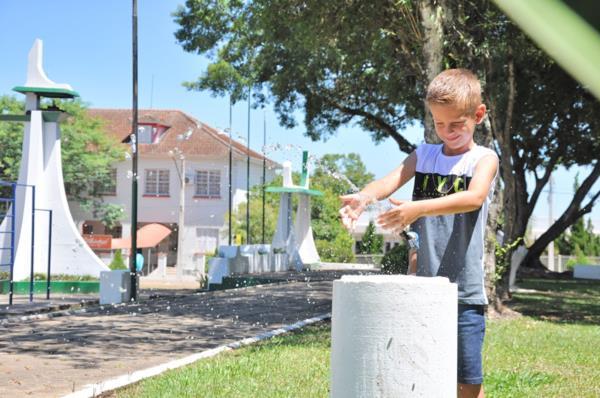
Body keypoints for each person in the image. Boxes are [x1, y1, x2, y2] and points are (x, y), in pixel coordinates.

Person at [339, 68, 498, 398]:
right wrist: (365, 197)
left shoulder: (483, 159)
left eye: (457, 124)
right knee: (424, 372)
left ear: (478, 115)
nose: (448, 132)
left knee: (467, 382)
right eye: (440, 124)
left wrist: (418, 208)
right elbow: (390, 180)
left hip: (464, 291)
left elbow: (474, 198)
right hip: (423, 287)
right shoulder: (425, 155)